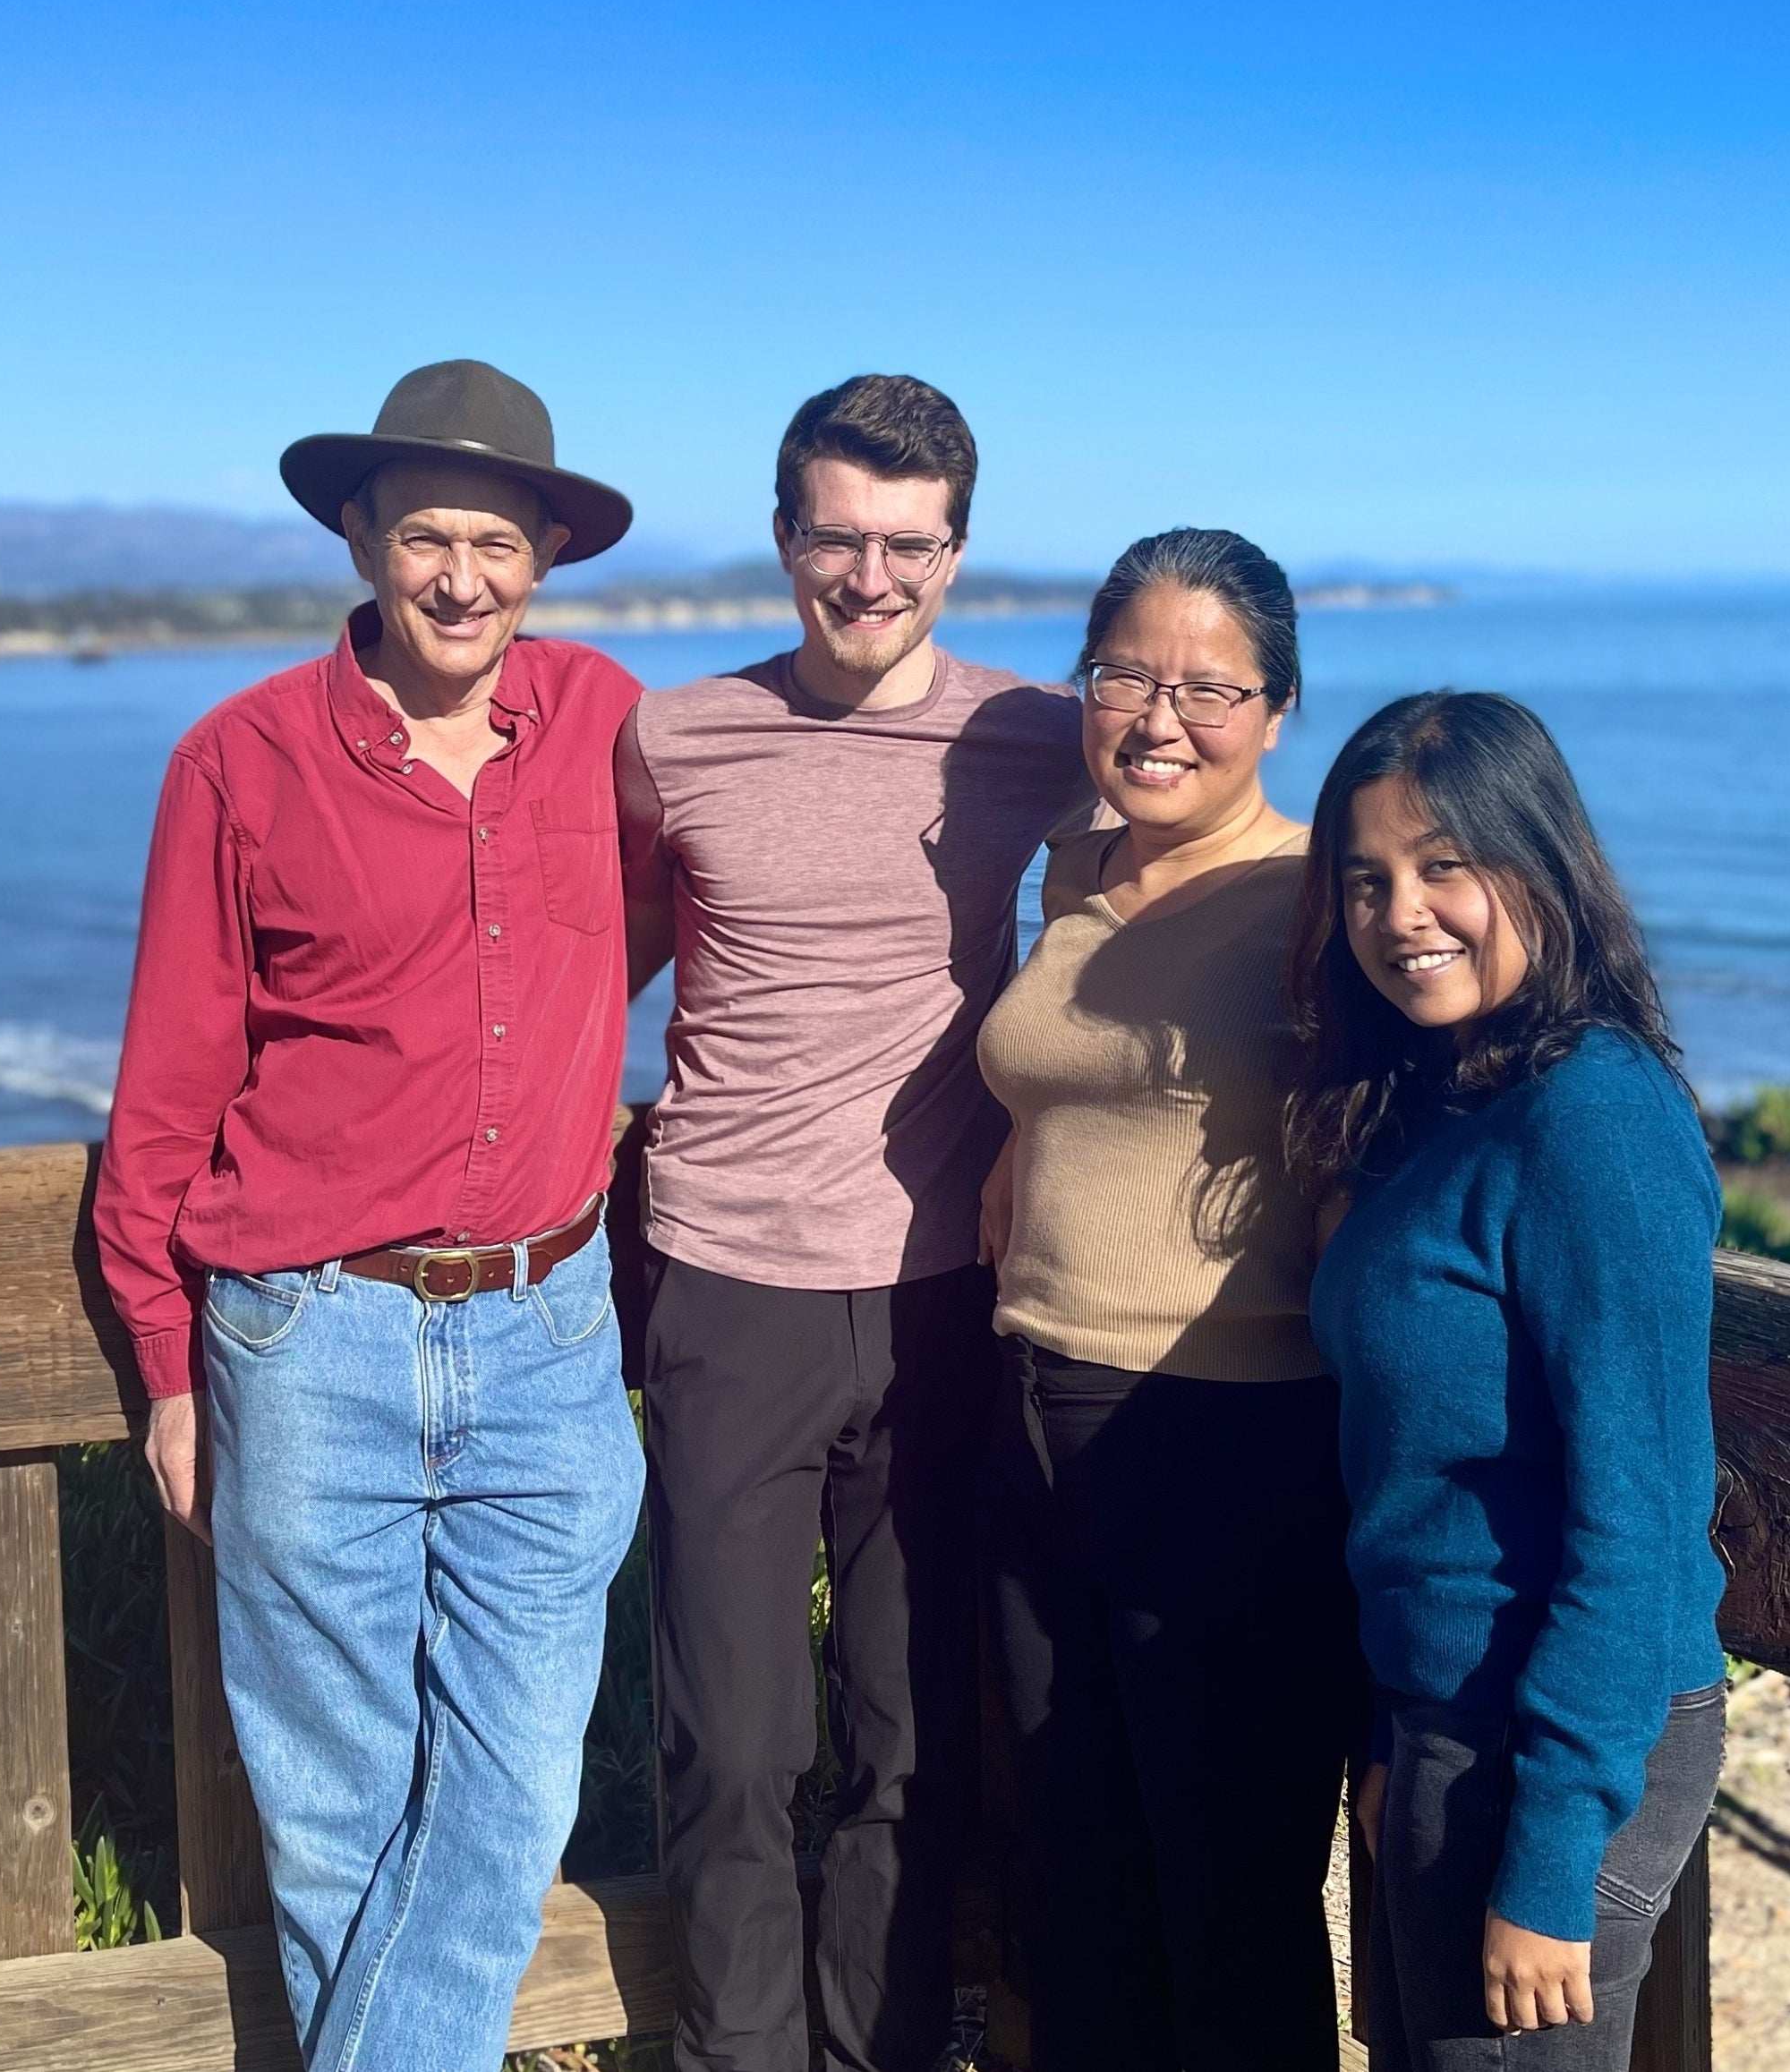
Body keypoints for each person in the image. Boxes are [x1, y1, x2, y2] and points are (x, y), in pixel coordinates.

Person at [95, 361, 649, 2072]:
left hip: (551, 1330)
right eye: (427, 538)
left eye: (496, 540)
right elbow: (168, 1098)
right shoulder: (240, 762)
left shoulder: (617, 722)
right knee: (334, 1816)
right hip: (305, 1332)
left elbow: (748, 914)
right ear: (362, 538)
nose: (461, 577)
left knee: (511, 1783)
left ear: (545, 554)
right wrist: (169, 1373)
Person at [617, 374, 1095, 2072]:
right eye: (839, 537)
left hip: (943, 1296)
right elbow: (576, 969)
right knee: (732, 1744)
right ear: (783, 539)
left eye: (909, 543)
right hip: (729, 1284)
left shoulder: (1034, 733)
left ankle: (878, 2048)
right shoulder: (673, 740)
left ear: (957, 552)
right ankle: (739, 2055)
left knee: (907, 1739)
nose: (870, 576)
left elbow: (1166, 885)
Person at [975, 527, 1364, 2072]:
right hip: (1034, 1407)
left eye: (1211, 688)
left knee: (1231, 1899)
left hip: (1231, 1439)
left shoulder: (1319, 903)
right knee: (1074, 1880)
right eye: (1124, 672)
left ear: (1278, 712)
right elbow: (1067, 1092)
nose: (1159, 716)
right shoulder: (1082, 862)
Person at [1292, 691, 1727, 2070]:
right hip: (1447, 1723)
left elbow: (1641, 1527)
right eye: (1366, 880)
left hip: (1560, 1747)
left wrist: (1548, 1863)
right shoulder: (1441, 1101)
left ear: (1536, 865)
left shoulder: (1594, 1118)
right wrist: (1399, 1732)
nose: (1402, 913)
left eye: (1442, 867)